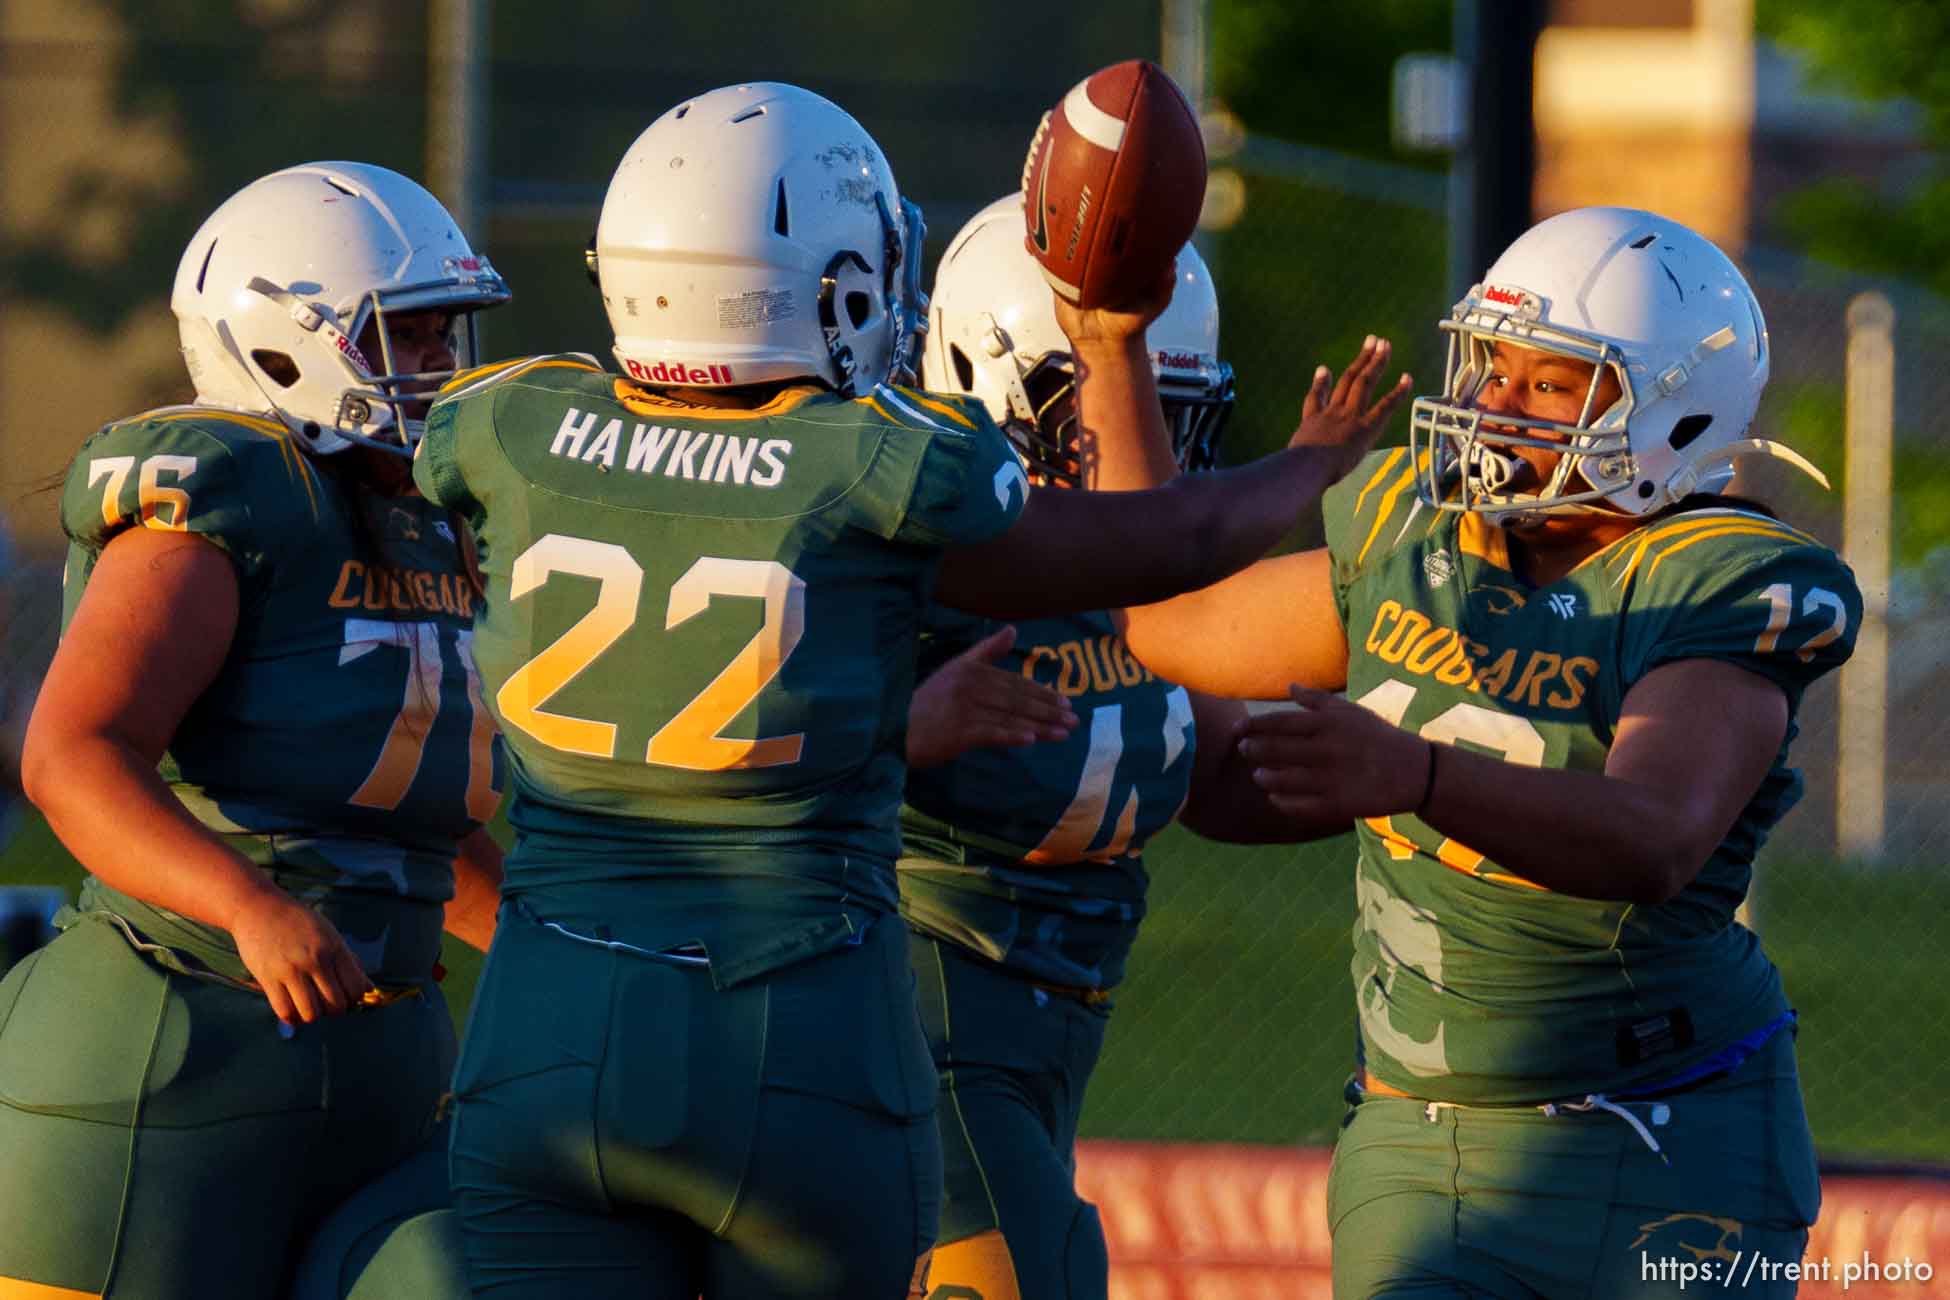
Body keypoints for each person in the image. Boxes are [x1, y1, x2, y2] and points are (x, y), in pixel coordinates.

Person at [418, 83, 1401, 1300]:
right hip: (823, 1033)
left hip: (559, 1035)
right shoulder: (884, 486)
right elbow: (1170, 556)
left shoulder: (514, 424)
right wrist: (1305, 466)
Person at [1110, 207, 1859, 1298]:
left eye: (1547, 383)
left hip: (1677, 1129)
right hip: (1424, 1135)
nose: (1488, 403)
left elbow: (1656, 836)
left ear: (1675, 417)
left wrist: (1415, 776)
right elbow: (1161, 620)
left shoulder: (1717, 575)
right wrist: (1110, 346)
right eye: (1489, 366)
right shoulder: (1418, 537)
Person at [1, 162, 509, 1300]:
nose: (438, 369)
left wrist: (549, 949)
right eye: (407, 336)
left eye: (444, 337)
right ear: (284, 344)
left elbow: (411, 823)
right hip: (168, 1065)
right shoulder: (223, 508)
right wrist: (249, 903)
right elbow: (70, 755)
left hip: (382, 1069)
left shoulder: (423, 527)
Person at [898, 197, 1375, 1298]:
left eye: (1173, 411)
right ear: (1004, 392)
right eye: (1119, 401)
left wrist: (1419, 774)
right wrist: (898, 729)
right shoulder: (911, 549)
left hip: (1047, 1041)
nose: (1156, 444)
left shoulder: (1148, 594)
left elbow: (1218, 774)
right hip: (911, 1030)